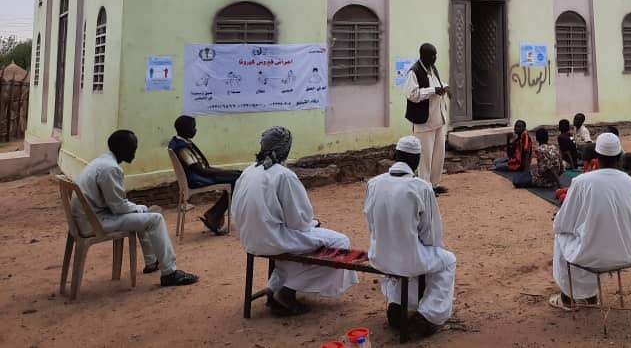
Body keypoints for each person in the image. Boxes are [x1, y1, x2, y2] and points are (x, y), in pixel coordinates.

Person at [231, 127, 358, 315]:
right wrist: (312, 224)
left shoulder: (249, 171)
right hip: (273, 239)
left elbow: (236, 210)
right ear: (286, 149)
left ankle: (275, 286)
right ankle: (287, 291)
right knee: (340, 243)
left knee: (301, 241)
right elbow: (300, 220)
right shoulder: (283, 175)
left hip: (250, 239)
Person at [74, 130, 198, 286]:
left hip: (89, 218)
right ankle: (169, 272)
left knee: (141, 213)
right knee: (155, 219)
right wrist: (140, 208)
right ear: (121, 148)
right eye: (132, 147)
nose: (134, 151)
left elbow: (115, 204)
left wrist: (138, 208)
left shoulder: (102, 162)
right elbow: (118, 207)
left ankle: (151, 261)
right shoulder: (111, 169)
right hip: (95, 222)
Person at [364, 136, 457, 339]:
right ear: (416, 161)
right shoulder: (421, 187)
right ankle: (428, 316)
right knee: (446, 261)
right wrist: (427, 248)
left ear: (395, 156)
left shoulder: (374, 183)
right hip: (408, 258)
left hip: (378, 256)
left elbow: (370, 222)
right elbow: (431, 234)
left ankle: (398, 304)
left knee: (409, 261)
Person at [549, 133, 631, 311]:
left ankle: (567, 297)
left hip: (597, 254)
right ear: (619, 157)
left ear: (597, 156)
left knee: (562, 237)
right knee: (592, 235)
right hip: (629, 251)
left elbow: (565, 221)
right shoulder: (629, 181)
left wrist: (560, 223)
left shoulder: (582, 181)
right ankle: (590, 295)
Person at [168, 115, 241, 234]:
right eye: (193, 127)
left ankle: (214, 214)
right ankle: (214, 215)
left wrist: (227, 171)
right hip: (199, 178)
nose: (195, 130)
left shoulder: (180, 142)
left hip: (201, 175)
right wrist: (225, 172)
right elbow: (200, 170)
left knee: (237, 175)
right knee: (239, 178)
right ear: (184, 129)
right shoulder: (181, 147)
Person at [405, 43, 450, 194]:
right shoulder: (414, 72)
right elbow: (412, 95)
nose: (435, 58)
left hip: (438, 120)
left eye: (435, 55)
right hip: (424, 123)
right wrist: (433, 91)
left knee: (439, 156)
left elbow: (437, 84)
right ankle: (424, 189)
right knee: (425, 158)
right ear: (423, 55)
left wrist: (445, 87)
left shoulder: (432, 69)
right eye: (432, 55)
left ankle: (434, 185)